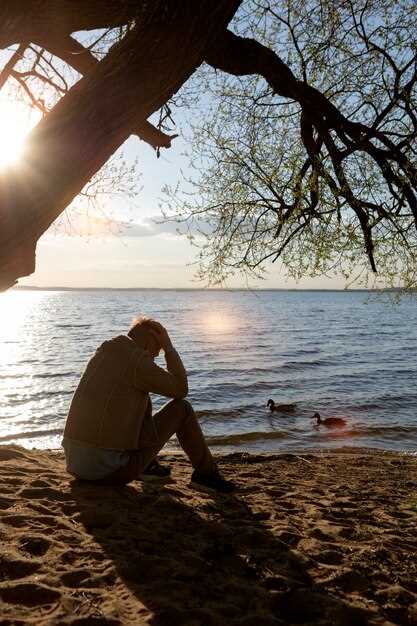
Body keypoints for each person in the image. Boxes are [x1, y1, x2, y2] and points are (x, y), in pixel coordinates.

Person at [62, 316, 235, 493]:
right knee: (182, 409)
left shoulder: (105, 351)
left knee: (135, 395)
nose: (153, 358)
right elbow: (181, 389)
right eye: (155, 352)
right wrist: (168, 348)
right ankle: (206, 475)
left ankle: (148, 466)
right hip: (108, 473)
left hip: (75, 465)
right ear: (149, 341)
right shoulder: (136, 360)